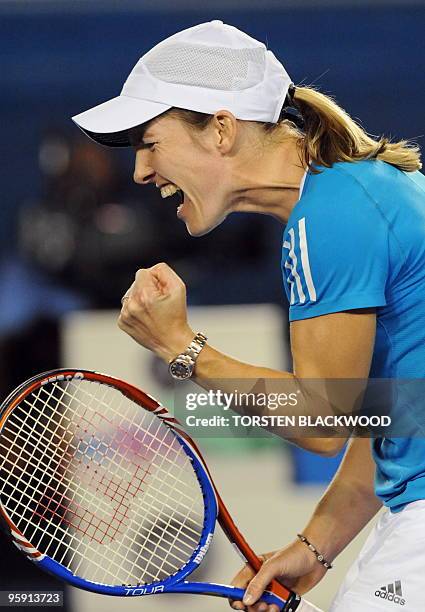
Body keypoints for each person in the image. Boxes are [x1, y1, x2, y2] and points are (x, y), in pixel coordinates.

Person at [72, 20, 424, 612]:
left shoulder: (331, 218)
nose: (139, 172)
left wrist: (181, 346)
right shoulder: (359, 193)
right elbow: (399, 410)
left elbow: (321, 418)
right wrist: (315, 547)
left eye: (150, 143)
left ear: (220, 129)